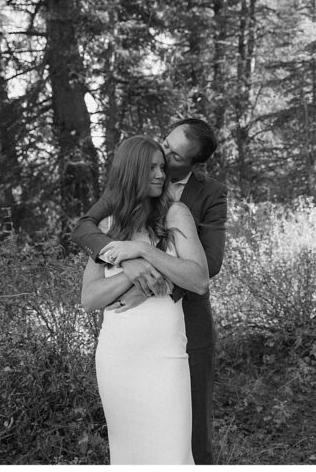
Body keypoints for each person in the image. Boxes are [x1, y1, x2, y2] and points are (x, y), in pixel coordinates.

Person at [73, 119, 227, 464]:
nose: (161, 172)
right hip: (118, 354)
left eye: (167, 162)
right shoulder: (110, 221)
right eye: (154, 163)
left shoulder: (181, 210)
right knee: (128, 455)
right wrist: (130, 270)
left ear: (190, 163)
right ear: (131, 171)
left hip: (169, 348)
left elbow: (203, 273)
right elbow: (88, 294)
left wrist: (145, 255)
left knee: (179, 448)